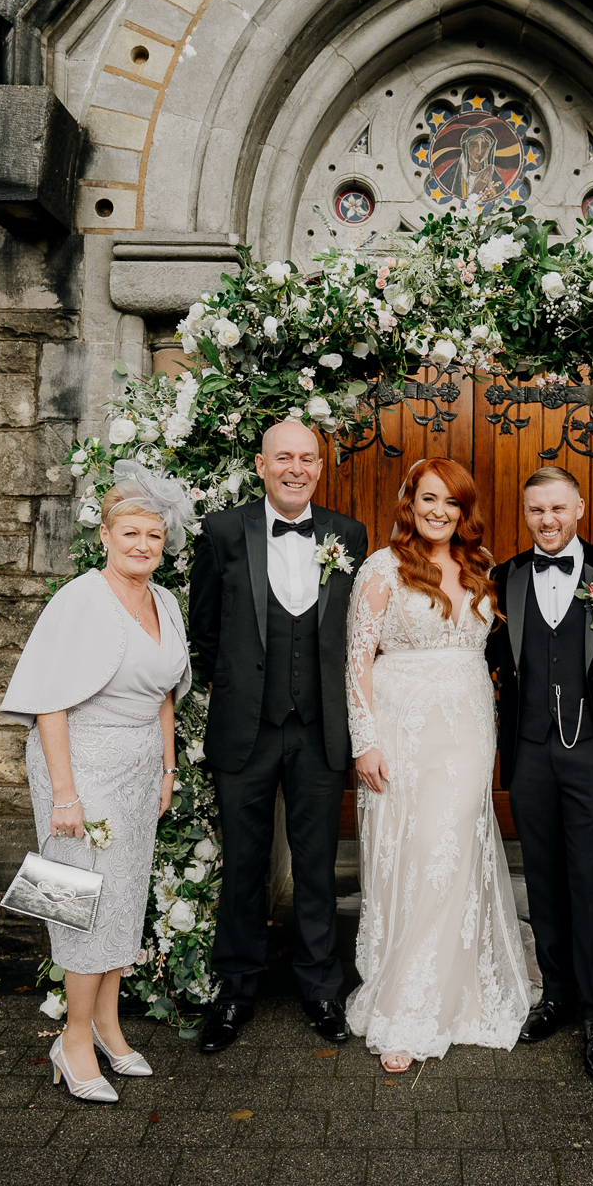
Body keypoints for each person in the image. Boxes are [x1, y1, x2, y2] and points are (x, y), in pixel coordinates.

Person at [0, 467, 194, 1103]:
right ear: (106, 535)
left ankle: (109, 1026)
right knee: (78, 899)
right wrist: (63, 793)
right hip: (76, 762)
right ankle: (73, 1038)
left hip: (140, 768)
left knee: (123, 898)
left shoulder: (164, 601)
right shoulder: (80, 599)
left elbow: (165, 694)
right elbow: (48, 703)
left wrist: (166, 768)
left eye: (155, 536)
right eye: (131, 533)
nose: (143, 545)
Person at [188, 419, 369, 1053]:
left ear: (320, 468)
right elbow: (204, 630)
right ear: (261, 466)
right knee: (243, 865)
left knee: (317, 865)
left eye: (308, 459)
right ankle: (234, 992)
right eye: (283, 458)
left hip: (319, 731)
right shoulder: (221, 532)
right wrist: (244, 690)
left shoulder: (348, 534)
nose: (296, 468)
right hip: (247, 730)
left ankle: (321, 988)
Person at [345, 458, 532, 1072]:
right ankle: (404, 1000)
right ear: (409, 502)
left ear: (463, 510)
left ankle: (453, 994)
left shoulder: (480, 566)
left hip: (470, 729)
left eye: (451, 503)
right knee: (414, 853)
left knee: (453, 852)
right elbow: (358, 660)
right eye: (429, 499)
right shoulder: (382, 568)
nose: (439, 512)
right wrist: (364, 741)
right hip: (402, 729)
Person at [485, 466, 593, 1079]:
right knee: (544, 879)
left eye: (557, 509)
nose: (547, 521)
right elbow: (491, 658)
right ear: (524, 514)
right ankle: (555, 994)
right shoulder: (505, 577)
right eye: (535, 512)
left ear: (579, 506)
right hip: (528, 753)